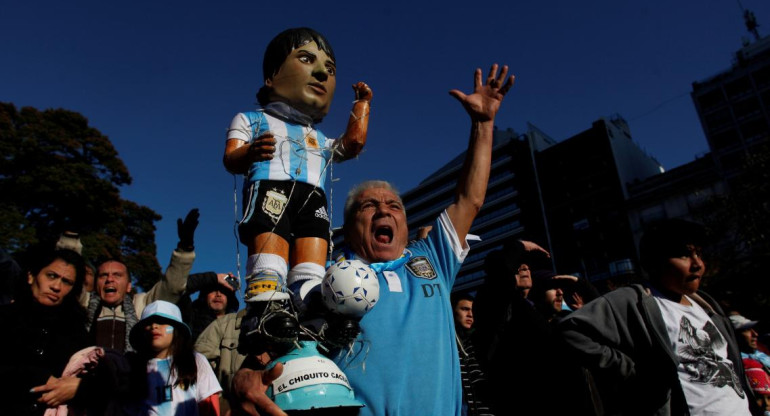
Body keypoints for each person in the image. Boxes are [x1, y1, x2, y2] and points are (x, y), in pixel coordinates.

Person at [232, 62, 515, 416]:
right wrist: (243, 376)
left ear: (406, 223)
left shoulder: (432, 258)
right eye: (369, 205)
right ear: (348, 227)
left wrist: (483, 125)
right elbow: (272, 341)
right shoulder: (321, 279)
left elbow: (470, 200)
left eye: (394, 205)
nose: (384, 210)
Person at [222, 27, 372, 310]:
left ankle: (310, 302)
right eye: (306, 59)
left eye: (330, 69)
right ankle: (267, 305)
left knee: (312, 260)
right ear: (271, 77)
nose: (321, 74)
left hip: (313, 198)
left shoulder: (317, 137)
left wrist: (362, 105)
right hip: (270, 188)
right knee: (270, 249)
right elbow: (231, 158)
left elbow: (352, 145)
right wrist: (250, 152)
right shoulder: (251, 119)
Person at [560, 218, 755, 415]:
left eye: (698, 253)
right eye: (684, 255)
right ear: (654, 262)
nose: (697, 264)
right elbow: (569, 332)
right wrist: (631, 370)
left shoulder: (706, 306)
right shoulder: (632, 301)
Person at [85, 209, 198, 353]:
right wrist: (71, 234)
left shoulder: (143, 305)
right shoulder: (84, 304)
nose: (110, 279)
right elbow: (63, 272)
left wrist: (184, 249)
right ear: (96, 283)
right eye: (103, 275)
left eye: (117, 275)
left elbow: (172, 287)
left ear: (128, 286)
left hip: (132, 374)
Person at [0, 249, 89, 415]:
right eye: (51, 276)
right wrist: (36, 377)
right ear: (31, 276)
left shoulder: (76, 331)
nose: (56, 287)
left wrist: (79, 387)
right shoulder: (4, 317)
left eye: (67, 282)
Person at [126, 300, 222, 415]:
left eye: (162, 321)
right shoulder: (134, 367)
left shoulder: (196, 360)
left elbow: (209, 404)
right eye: (148, 323)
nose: (154, 326)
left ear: (176, 329)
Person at [451, 293, 493, 416]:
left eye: (472, 310)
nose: (470, 314)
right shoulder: (448, 343)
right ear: (452, 311)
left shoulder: (473, 342)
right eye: (464, 309)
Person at [177, 271, 240, 342]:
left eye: (223, 291)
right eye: (213, 290)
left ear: (229, 298)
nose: (218, 294)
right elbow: (177, 287)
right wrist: (214, 278)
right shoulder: (190, 318)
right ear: (205, 296)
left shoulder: (237, 326)